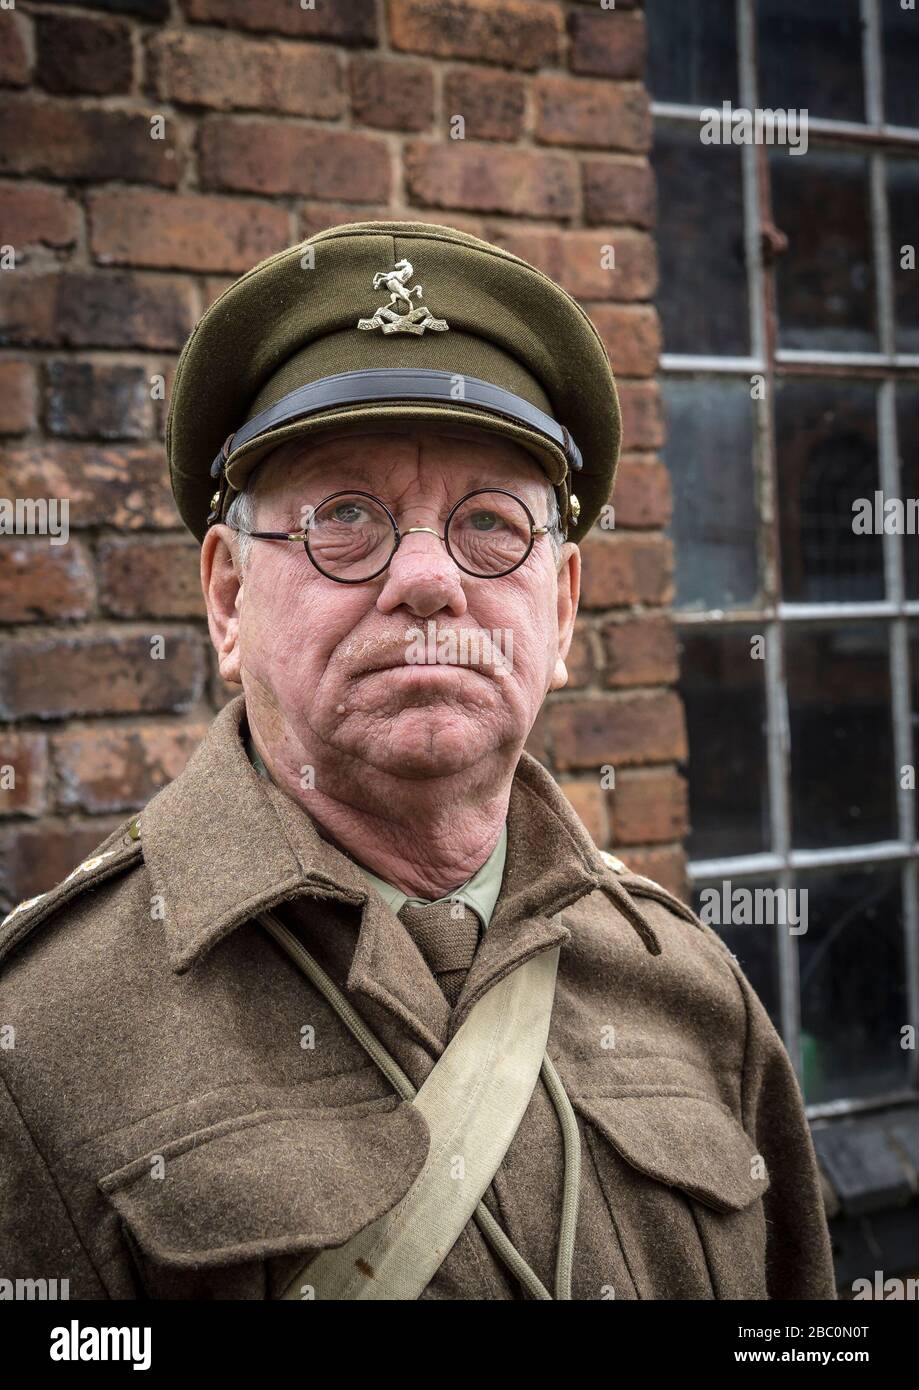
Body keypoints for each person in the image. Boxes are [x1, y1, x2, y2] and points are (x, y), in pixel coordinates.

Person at [0, 221, 836, 1300]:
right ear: (226, 599)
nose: (431, 580)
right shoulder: (45, 1038)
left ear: (564, 605)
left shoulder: (691, 988)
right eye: (345, 517)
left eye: (490, 524)